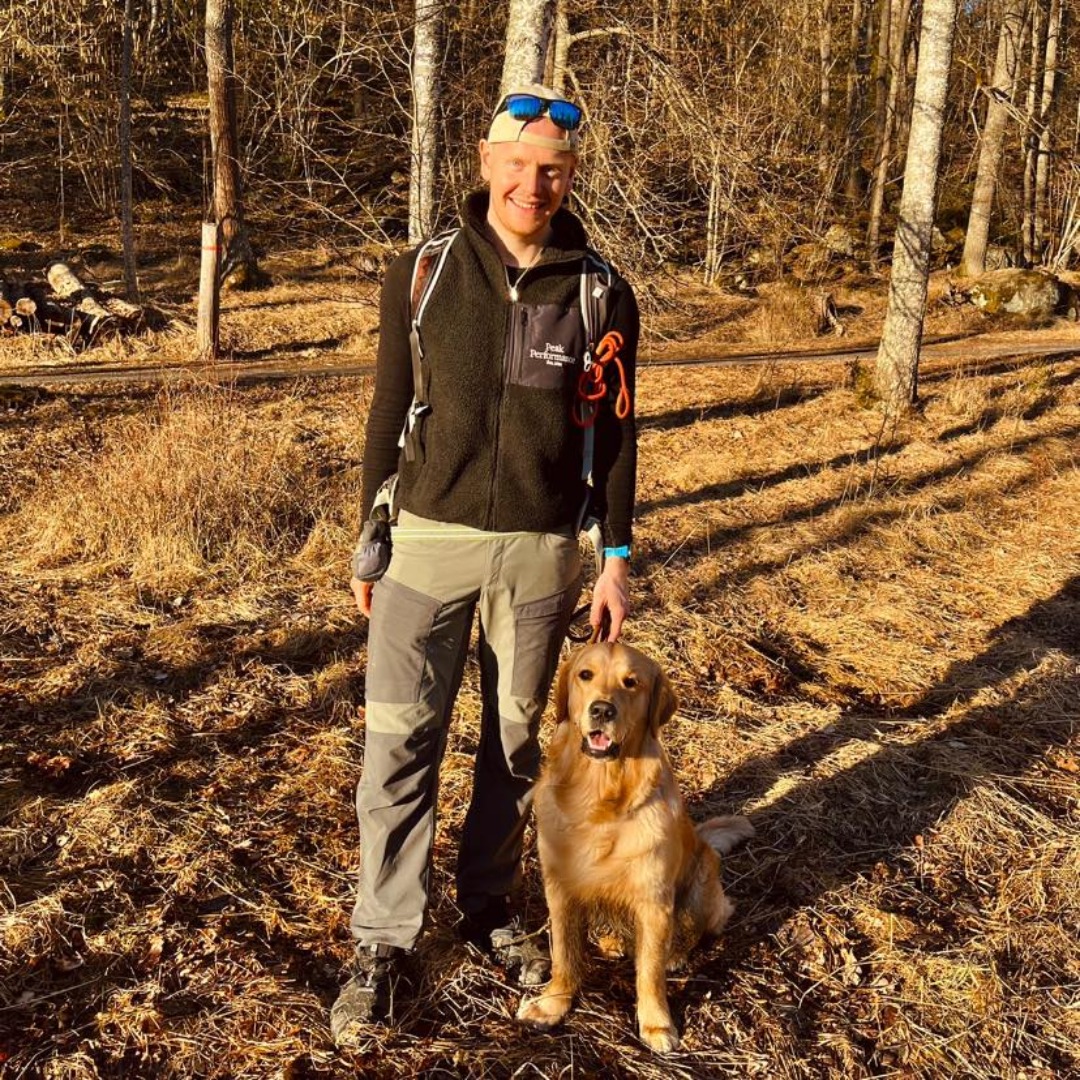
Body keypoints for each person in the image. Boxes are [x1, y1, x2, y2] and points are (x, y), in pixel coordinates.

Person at [331, 84, 638, 1040]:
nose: (533, 184)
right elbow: (389, 410)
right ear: (486, 162)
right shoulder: (422, 272)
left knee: (513, 748)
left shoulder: (600, 291)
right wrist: (371, 535)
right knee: (400, 744)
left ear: (570, 176)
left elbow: (617, 432)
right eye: (519, 164)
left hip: (541, 555)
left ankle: (488, 905)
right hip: (426, 543)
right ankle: (384, 940)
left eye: (553, 170)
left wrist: (615, 558)